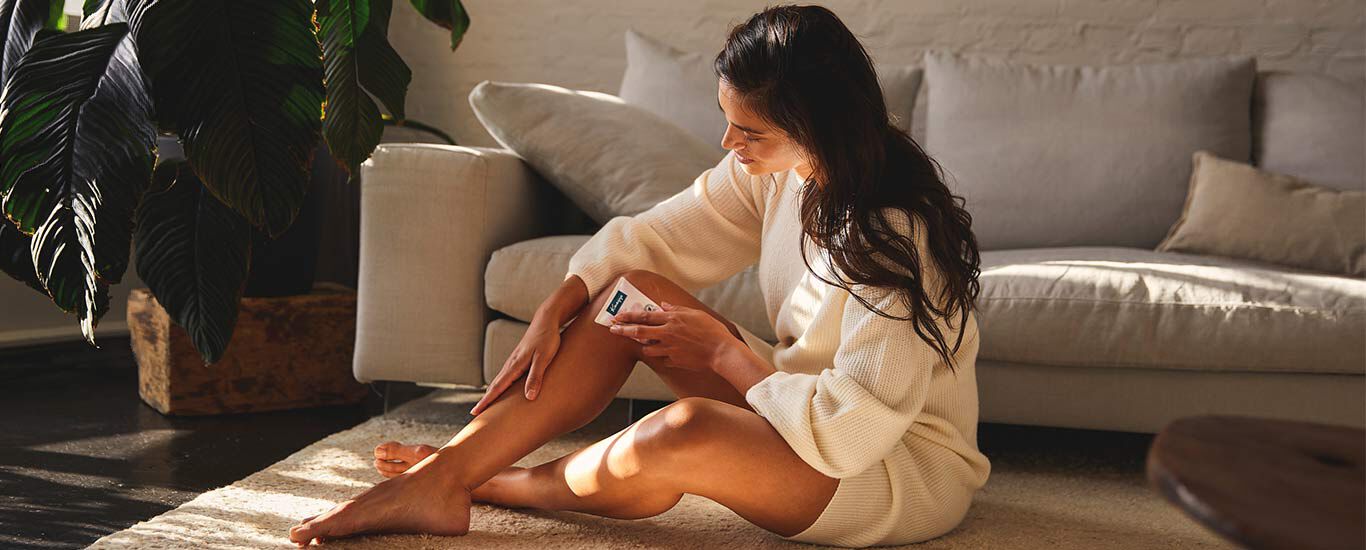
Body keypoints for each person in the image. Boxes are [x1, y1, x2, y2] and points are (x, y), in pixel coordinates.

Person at [288, 4, 990, 547]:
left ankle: (494, 483)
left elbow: (851, 433)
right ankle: (447, 478)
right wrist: (556, 303)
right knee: (631, 292)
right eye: (728, 122)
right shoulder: (787, 175)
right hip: (796, 409)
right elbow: (649, 241)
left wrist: (725, 355)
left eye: (750, 134)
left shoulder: (896, 236)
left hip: (887, 468)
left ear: (819, 127)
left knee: (678, 433)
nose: (728, 145)